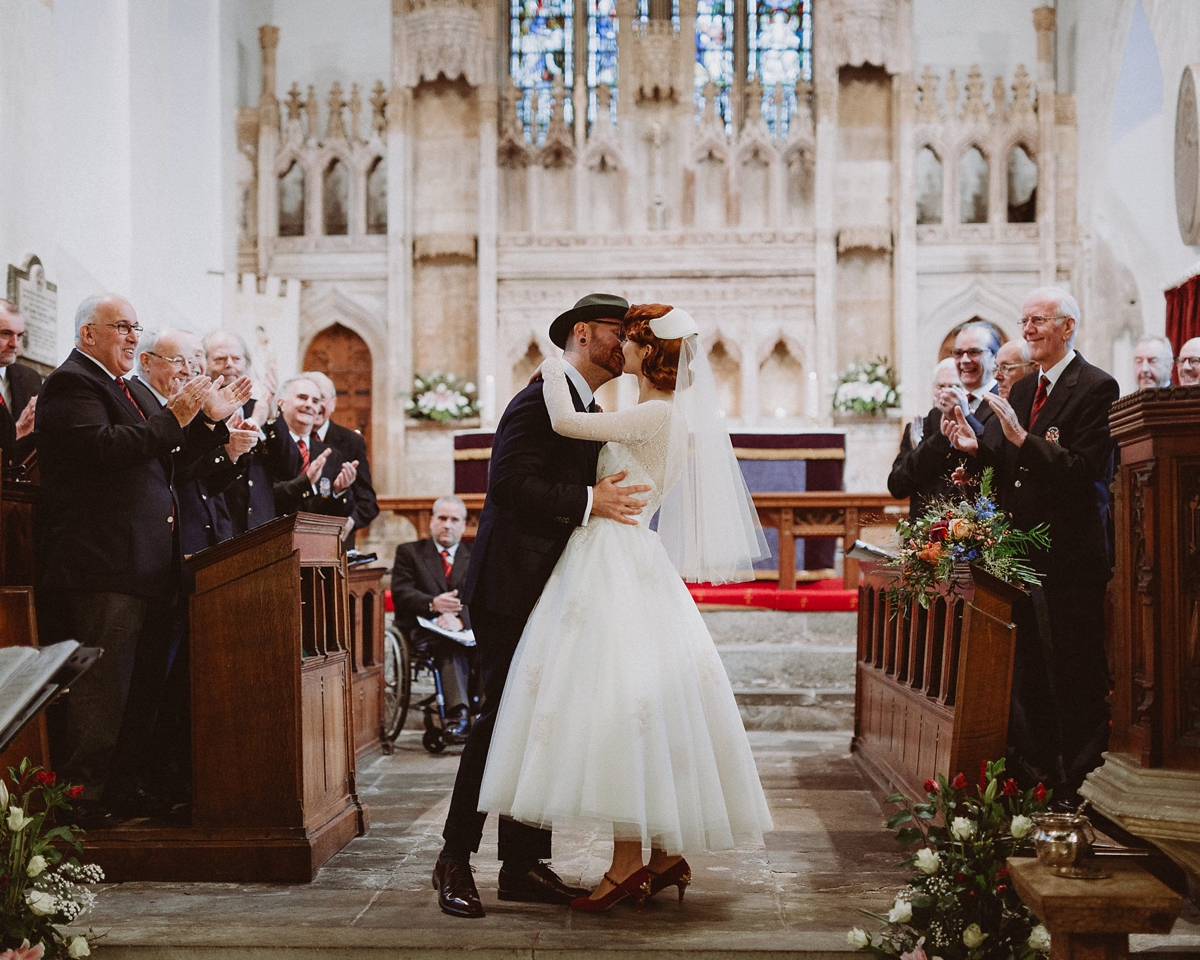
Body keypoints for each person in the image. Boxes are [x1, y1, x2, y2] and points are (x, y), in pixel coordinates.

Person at [479, 303, 773, 913]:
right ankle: (661, 856)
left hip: (611, 558)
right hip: (626, 556)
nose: (623, 348)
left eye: (632, 340)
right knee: (642, 708)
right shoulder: (658, 415)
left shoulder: (651, 415)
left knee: (619, 706)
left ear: (649, 353)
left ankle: (628, 865)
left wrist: (551, 362)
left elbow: (563, 421)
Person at [434, 292, 648, 919]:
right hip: (511, 588)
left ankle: (522, 864)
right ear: (584, 333)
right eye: (618, 330)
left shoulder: (579, 403)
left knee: (537, 726)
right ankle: (454, 859)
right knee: (500, 723)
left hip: (552, 591)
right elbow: (506, 483)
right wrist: (590, 501)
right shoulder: (537, 399)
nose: (625, 342)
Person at [34, 294, 250, 825]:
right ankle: (82, 799)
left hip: (148, 566)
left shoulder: (123, 390)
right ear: (88, 334)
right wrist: (180, 416)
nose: (133, 336)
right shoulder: (71, 384)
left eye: (136, 328)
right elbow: (106, 450)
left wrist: (209, 428)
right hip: (104, 565)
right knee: (102, 693)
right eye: (122, 327)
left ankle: (124, 788)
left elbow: (170, 465)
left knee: (140, 692)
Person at [944, 286, 1118, 798]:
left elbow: (1086, 471)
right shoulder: (1023, 391)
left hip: (1069, 557)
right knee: (1030, 675)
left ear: (1068, 326)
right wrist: (976, 450)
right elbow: (1007, 466)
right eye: (1024, 322)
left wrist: (1024, 440)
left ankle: (1080, 781)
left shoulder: (1096, 388)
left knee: (1073, 669)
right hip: (1020, 556)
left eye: (1038, 320)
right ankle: (1039, 777)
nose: (1028, 330)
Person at [391, 496, 476, 738]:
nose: (447, 525)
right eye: (442, 518)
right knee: (448, 645)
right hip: (425, 629)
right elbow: (401, 592)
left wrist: (461, 621)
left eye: (454, 520)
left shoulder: (475, 556)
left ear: (463, 525)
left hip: (465, 629)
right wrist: (433, 603)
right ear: (431, 521)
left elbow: (483, 596)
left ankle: (484, 712)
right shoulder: (410, 552)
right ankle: (458, 714)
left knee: (489, 643)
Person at [203, 330, 275, 537]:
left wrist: (266, 416)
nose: (229, 365)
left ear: (246, 364)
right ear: (205, 363)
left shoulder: (260, 408)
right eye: (220, 359)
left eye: (236, 358)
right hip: (218, 527)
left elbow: (288, 464)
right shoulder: (198, 410)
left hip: (261, 527)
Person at [264, 375, 358, 519]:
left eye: (315, 401)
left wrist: (339, 490)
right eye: (302, 397)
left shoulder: (331, 455)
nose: (309, 405)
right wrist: (305, 482)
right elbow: (266, 496)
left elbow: (341, 514)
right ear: (281, 403)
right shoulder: (267, 445)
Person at [304, 370, 380, 545]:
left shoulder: (351, 442)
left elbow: (367, 502)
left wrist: (350, 521)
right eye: (308, 397)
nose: (313, 405)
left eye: (320, 398)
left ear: (333, 404)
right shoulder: (287, 438)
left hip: (336, 545)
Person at [888, 357, 963, 519]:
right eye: (941, 386)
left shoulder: (971, 426)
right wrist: (918, 452)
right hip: (922, 526)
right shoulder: (917, 427)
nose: (945, 392)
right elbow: (896, 487)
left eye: (954, 386)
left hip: (962, 526)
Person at [0, 299, 43, 469]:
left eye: (19, 336)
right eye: (5, 334)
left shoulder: (29, 378)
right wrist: (19, 429)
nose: (14, 344)